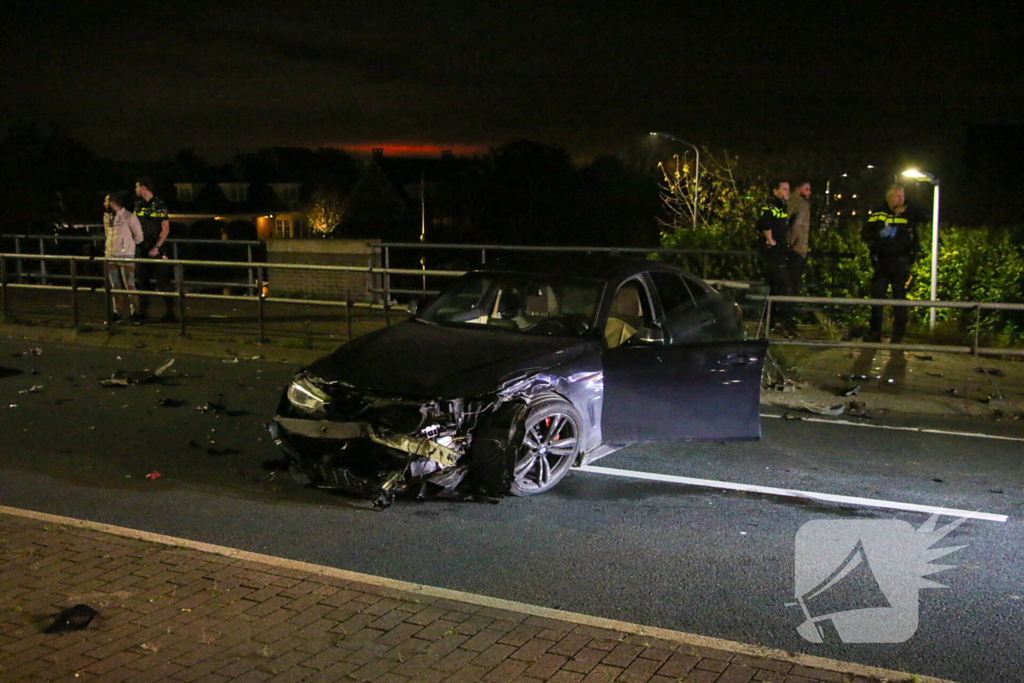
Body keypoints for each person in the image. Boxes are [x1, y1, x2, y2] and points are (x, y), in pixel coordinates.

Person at [861, 184, 921, 343]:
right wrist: (879, 236)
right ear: (889, 198)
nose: (902, 199)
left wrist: (908, 208)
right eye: (898, 197)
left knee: (900, 300)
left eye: (903, 196)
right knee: (877, 298)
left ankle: (898, 336)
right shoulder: (878, 213)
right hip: (882, 262)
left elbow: (926, 215)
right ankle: (875, 332)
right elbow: (865, 234)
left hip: (901, 262)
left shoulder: (909, 213)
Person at [757, 179, 798, 335]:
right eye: (784, 189)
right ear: (775, 191)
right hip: (774, 253)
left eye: (788, 188)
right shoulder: (771, 206)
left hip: (780, 251)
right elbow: (765, 223)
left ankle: (772, 323)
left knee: (774, 288)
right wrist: (770, 240)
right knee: (784, 287)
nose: (787, 191)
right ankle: (784, 323)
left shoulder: (782, 206)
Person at [133, 177, 177, 322]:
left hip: (156, 249)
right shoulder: (138, 204)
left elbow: (165, 229)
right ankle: (143, 311)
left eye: (137, 187)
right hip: (141, 249)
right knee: (142, 281)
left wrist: (156, 247)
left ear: (143, 188)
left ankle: (170, 312)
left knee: (163, 281)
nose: (135, 190)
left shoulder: (159, 204)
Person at [106, 192, 144, 322]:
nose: (104, 204)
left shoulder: (130, 217)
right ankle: (117, 312)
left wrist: (126, 246)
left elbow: (139, 237)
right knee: (115, 286)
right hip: (111, 256)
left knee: (130, 285)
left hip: (126, 256)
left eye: (106, 201)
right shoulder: (107, 217)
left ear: (112, 203)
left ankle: (136, 312)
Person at [787, 180, 811, 294]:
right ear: (798, 189)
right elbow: (797, 225)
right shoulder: (802, 204)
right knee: (793, 284)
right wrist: (791, 243)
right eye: (806, 189)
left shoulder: (787, 201)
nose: (809, 192)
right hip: (797, 249)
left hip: (785, 248)